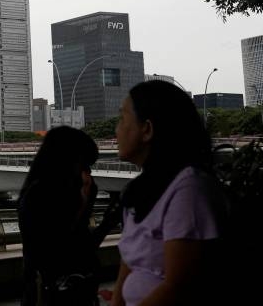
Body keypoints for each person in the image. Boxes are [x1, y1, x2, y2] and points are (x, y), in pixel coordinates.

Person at [111, 80, 227, 306]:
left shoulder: (189, 190)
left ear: (147, 129)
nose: (117, 129)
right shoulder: (140, 190)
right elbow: (130, 261)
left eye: (122, 118)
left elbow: (179, 286)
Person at [18, 126, 102, 306]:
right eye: (84, 165)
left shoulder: (42, 191)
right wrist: (83, 204)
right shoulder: (39, 196)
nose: (88, 173)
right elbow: (57, 248)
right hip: (53, 294)